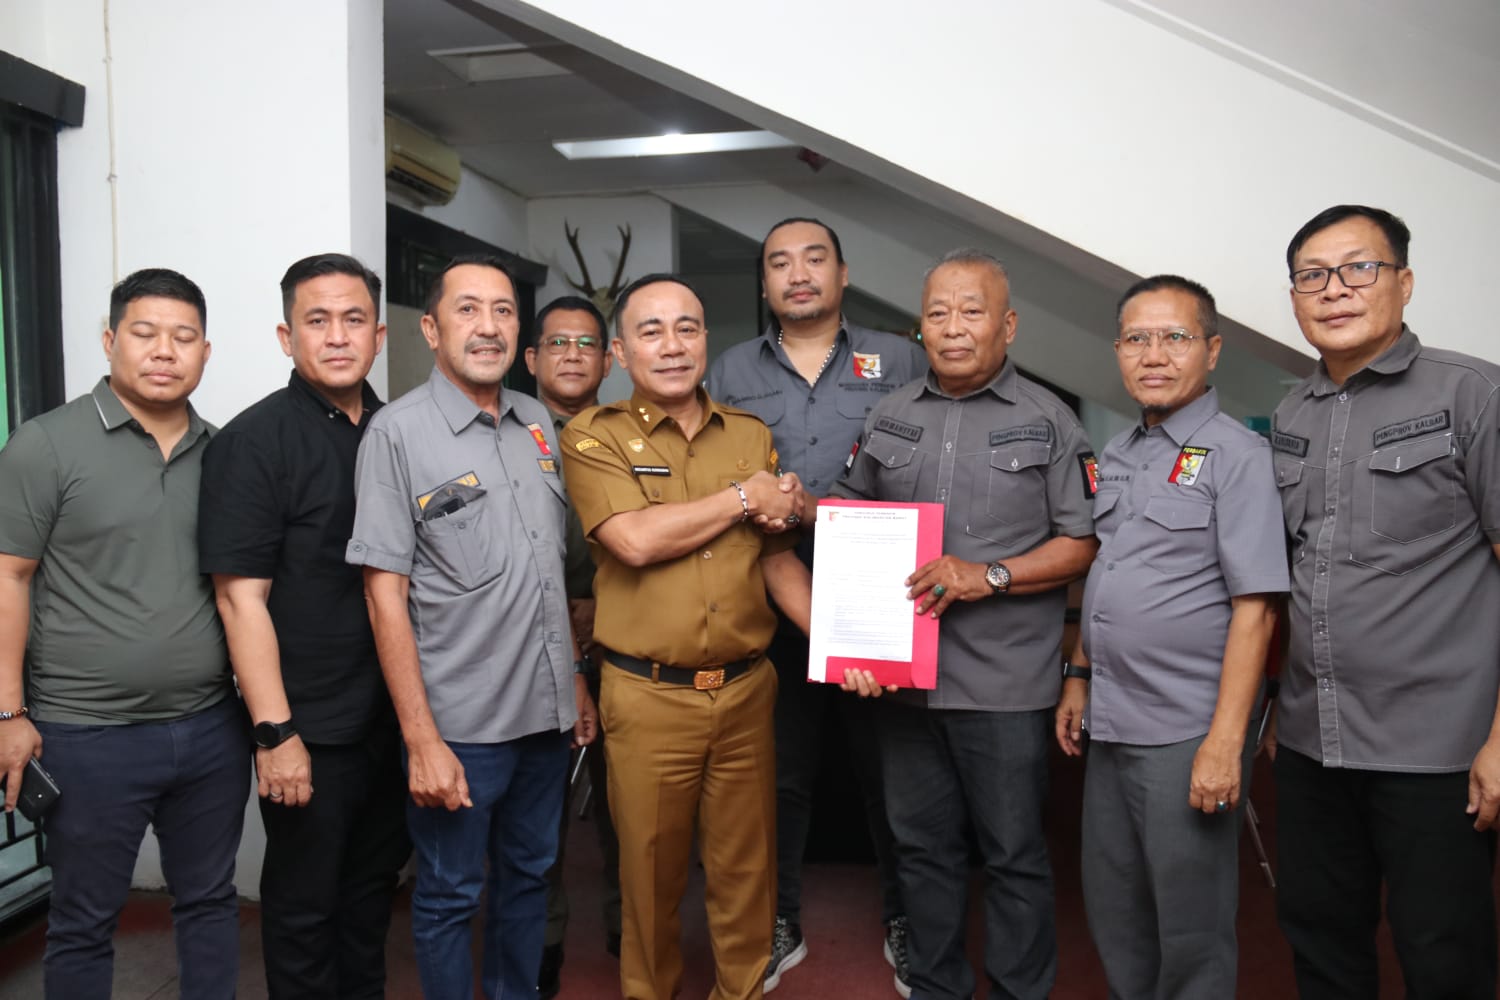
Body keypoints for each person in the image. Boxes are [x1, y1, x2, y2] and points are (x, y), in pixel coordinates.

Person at [834, 249, 1097, 1000]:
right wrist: (851, 637)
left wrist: (991, 575)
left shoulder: (1050, 420)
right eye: (938, 313)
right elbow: (851, 509)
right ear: (920, 327)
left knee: (1012, 854)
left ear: (1007, 326)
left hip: (1003, 686)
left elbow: (1083, 542)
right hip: (905, 684)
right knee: (921, 850)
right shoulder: (888, 414)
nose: (953, 328)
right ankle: (936, 988)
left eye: (971, 312)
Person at [346, 254, 597, 1000]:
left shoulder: (536, 422)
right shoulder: (396, 434)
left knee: (529, 878)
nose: (487, 326)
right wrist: (422, 740)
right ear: (431, 329)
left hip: (546, 719)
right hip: (461, 728)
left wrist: (576, 682)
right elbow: (383, 595)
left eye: (503, 311)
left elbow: (551, 571)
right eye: (467, 310)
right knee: (451, 894)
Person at [1269, 205, 1500, 999]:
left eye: (1358, 268)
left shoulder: (1473, 393)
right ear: (1294, 298)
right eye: (1312, 276)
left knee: (1443, 955)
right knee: (1320, 943)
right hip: (1313, 743)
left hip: (1436, 748)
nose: (1334, 290)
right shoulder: (1292, 412)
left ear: (1404, 283)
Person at [560, 274, 812, 1000]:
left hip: (745, 691)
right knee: (649, 880)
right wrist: (741, 497)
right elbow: (634, 540)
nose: (672, 346)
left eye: (687, 328)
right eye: (651, 331)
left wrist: (842, 646)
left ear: (706, 339)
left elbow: (776, 561)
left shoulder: (749, 435)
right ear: (620, 352)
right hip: (648, 697)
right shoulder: (593, 434)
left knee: (747, 877)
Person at [0, 269, 247, 999]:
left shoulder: (225, 452)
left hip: (210, 729)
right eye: (144, 333)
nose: (164, 350)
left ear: (206, 351)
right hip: (85, 733)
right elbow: (8, 578)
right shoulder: (45, 445)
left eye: (183, 336)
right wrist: (9, 714)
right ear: (110, 341)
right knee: (83, 922)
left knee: (211, 903)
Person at [707, 217, 924, 995]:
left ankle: (907, 920)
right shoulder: (731, 369)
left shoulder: (900, 359)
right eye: (779, 263)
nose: (797, 274)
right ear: (765, 282)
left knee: (892, 775)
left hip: (879, 600)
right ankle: (778, 920)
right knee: (777, 776)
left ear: (842, 272)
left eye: (814, 259)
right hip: (765, 598)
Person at [1054, 275, 1287, 998]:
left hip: (1187, 729)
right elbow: (1110, 571)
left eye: (1175, 337)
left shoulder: (1238, 456)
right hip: (1113, 719)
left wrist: (1225, 743)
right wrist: (1079, 674)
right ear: (1118, 350)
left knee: (1190, 928)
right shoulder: (1122, 449)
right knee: (1116, 909)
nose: (1154, 355)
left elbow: (1257, 607)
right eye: (1137, 338)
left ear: (1211, 351)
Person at [198, 253, 410, 998]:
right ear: (287, 338)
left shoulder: (397, 431)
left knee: (370, 899)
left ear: (379, 335)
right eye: (317, 321)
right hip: (309, 727)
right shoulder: (254, 442)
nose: (338, 336)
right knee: (303, 912)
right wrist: (274, 733)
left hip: (394, 717)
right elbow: (239, 601)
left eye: (354, 319)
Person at [523, 294, 622, 997]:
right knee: (539, 810)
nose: (572, 355)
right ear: (532, 358)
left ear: (609, 360)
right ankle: (543, 943)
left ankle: (629, 929)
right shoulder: (505, 433)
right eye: (557, 343)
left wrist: (601, 606)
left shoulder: (630, 433)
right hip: (531, 646)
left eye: (586, 344)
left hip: (623, 640)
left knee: (630, 806)